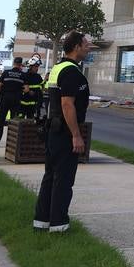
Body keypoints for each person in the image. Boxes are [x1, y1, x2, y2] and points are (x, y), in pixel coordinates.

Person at [33, 31, 92, 233]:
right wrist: (76, 135)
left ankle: (41, 221)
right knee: (63, 179)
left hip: (54, 129)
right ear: (76, 47)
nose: (88, 46)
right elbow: (67, 104)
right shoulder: (72, 72)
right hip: (64, 133)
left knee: (50, 176)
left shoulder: (58, 68)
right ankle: (59, 225)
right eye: (85, 44)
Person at [0, 57, 27, 147]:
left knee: (0, 120)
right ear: (20, 65)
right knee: (14, 122)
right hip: (16, 100)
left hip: (5, 98)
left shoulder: (6, 73)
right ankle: (12, 143)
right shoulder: (23, 75)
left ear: (14, 63)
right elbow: (26, 89)